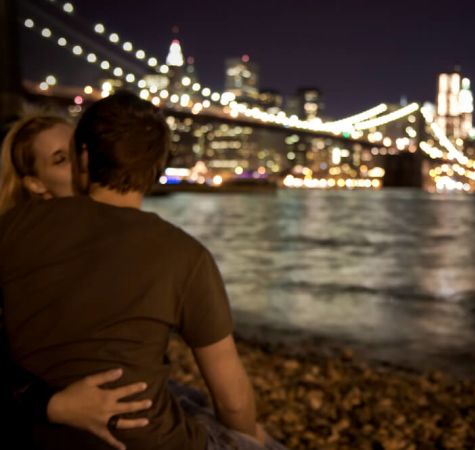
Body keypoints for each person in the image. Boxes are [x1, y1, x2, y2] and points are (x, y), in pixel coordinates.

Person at [0, 93, 285, 450]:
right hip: (148, 439)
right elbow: (234, 401)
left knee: (190, 399)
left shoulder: (11, 227)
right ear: (158, 168)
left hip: (44, 426)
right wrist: (247, 440)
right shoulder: (185, 254)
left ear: (85, 157)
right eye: (59, 159)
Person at [0, 115, 154, 450]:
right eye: (61, 159)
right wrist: (55, 406)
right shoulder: (19, 248)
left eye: (81, 152)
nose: (84, 165)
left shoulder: (119, 237)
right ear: (35, 184)